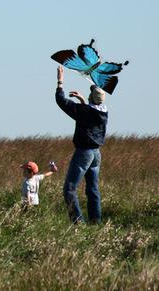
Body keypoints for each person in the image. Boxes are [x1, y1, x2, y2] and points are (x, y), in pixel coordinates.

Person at [55, 66, 108, 224]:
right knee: (92, 189)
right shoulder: (103, 112)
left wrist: (60, 81)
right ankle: (95, 221)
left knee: (69, 189)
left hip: (84, 153)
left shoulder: (84, 112)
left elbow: (61, 101)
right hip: (96, 154)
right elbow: (89, 115)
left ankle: (77, 222)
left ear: (91, 99)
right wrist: (83, 100)